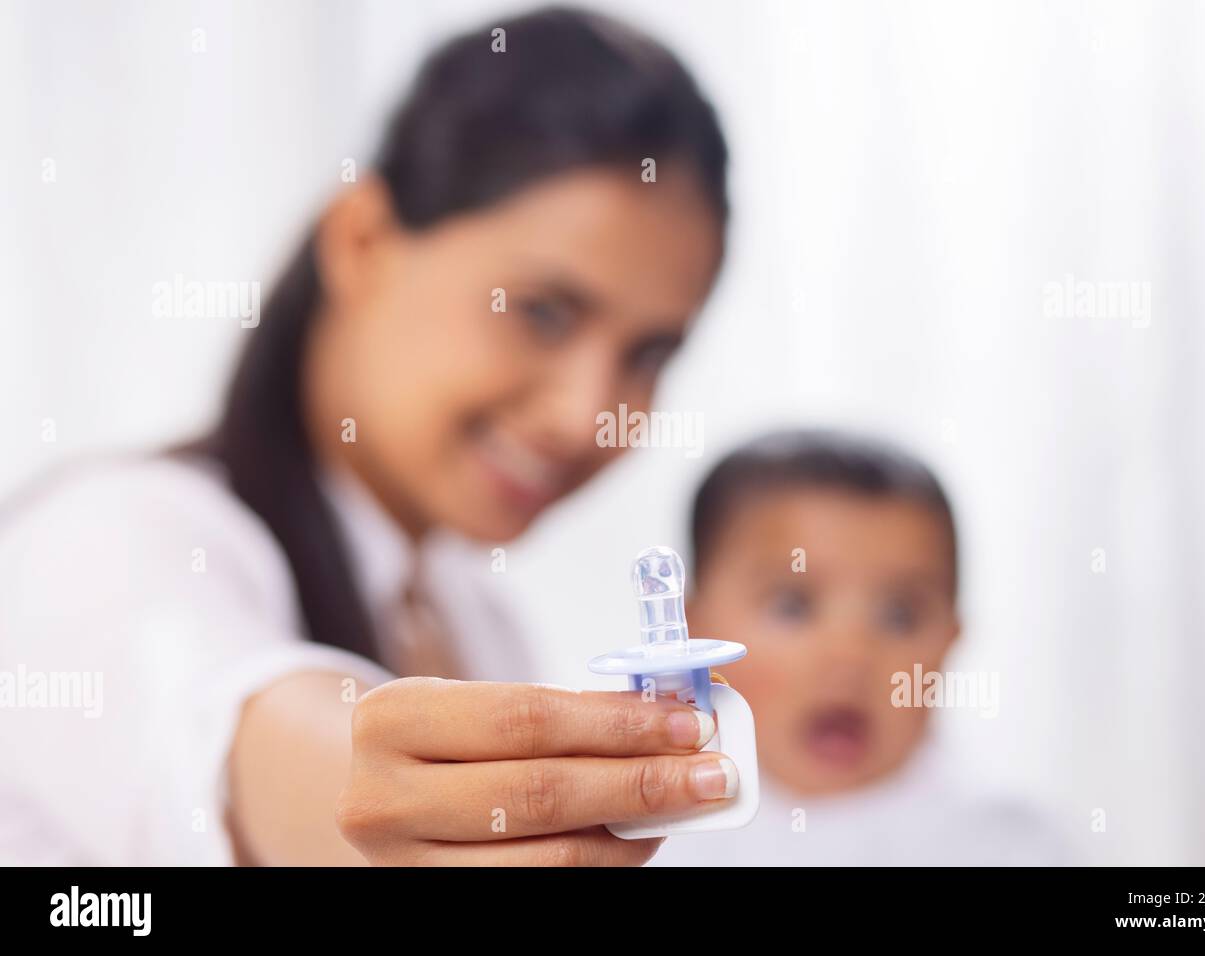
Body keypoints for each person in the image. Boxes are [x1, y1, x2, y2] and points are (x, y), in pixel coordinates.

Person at [0, 6, 739, 866]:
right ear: (362, 241)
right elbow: (239, 746)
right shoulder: (111, 538)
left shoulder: (479, 618)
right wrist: (386, 798)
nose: (589, 412)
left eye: (648, 353)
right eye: (541, 312)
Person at [651, 430, 1071, 865]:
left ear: (951, 641)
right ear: (694, 634)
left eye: (899, 615)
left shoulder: (1012, 845)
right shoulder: (647, 836)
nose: (850, 655)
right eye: (793, 606)